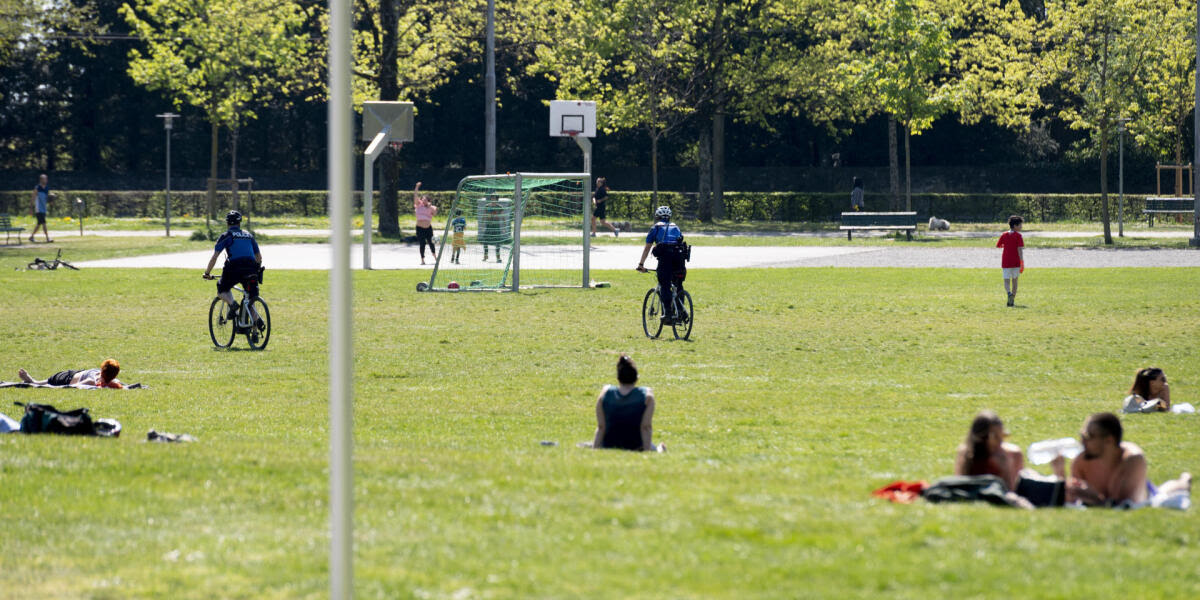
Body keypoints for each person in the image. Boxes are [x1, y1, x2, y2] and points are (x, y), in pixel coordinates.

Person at [1067, 412, 1192, 506]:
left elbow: (1123, 504)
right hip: (1128, 490)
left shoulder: (1133, 459)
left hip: (1144, 493)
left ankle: (1184, 480)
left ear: (1109, 440)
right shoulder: (1081, 461)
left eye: (1089, 436)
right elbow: (1073, 500)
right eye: (1082, 435)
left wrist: (1093, 498)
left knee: (1164, 493)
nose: (1082, 441)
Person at [202, 210, 264, 331]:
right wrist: (256, 270)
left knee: (222, 289)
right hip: (251, 267)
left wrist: (207, 273)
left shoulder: (227, 235)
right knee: (250, 298)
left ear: (227, 223)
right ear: (240, 223)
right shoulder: (249, 235)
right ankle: (257, 324)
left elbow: (215, 256)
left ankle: (232, 304)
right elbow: (259, 257)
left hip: (235, 267)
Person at [592, 354, 661, 452]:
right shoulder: (647, 395)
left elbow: (601, 427)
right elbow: (646, 427)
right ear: (637, 378)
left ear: (618, 378)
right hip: (636, 445)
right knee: (658, 448)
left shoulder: (605, 392)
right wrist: (647, 451)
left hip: (609, 444)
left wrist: (594, 449)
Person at [636, 206, 687, 325]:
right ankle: (681, 311)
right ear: (669, 217)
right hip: (679, 260)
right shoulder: (676, 227)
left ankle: (668, 314)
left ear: (657, 217)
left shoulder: (656, 227)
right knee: (678, 284)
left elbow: (647, 247)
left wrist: (641, 264)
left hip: (666, 260)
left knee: (664, 284)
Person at [953, 410, 1026, 491]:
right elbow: (961, 486)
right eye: (995, 437)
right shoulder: (967, 453)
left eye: (1002, 436)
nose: (1000, 441)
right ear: (981, 437)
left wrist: (1005, 469)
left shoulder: (1012, 454)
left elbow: (1012, 491)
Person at [17, 358, 124, 389]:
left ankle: (32, 381)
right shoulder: (112, 381)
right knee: (40, 383)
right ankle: (32, 381)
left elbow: (70, 387)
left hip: (65, 377)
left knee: (40, 383)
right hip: (69, 376)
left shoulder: (92, 381)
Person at [996, 215, 1024, 307]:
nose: (1021, 227)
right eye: (1020, 225)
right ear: (1015, 226)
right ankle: (1013, 299)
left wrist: (1006, 246)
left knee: (1006, 280)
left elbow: (999, 245)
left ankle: (1008, 293)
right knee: (1015, 281)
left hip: (1006, 261)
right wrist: (1021, 261)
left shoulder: (1004, 235)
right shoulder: (1019, 236)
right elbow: (1020, 249)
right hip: (1015, 262)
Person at [413, 182, 438, 265]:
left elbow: (434, 214)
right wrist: (417, 187)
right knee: (422, 243)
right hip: (419, 228)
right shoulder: (418, 205)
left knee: (431, 242)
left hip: (428, 228)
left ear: (429, 201)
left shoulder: (432, 207)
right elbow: (415, 196)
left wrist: (429, 206)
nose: (424, 201)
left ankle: (435, 257)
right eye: (423, 200)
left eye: (426, 200)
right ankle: (422, 259)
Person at [29, 173, 52, 243]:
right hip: (38, 209)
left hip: (44, 208)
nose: (46, 180)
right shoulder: (37, 188)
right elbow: (33, 198)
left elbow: (47, 199)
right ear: (41, 180)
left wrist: (51, 200)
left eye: (46, 179)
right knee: (44, 223)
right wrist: (31, 208)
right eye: (44, 179)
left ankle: (31, 237)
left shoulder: (47, 188)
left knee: (39, 224)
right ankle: (48, 238)